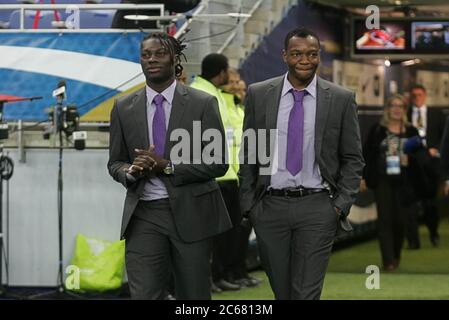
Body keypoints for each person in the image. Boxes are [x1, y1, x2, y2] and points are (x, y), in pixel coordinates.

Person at [238, 27, 364, 300]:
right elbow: (250, 153)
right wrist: (250, 205)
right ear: (284, 56)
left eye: (311, 54)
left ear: (319, 56)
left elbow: (353, 158)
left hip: (318, 208)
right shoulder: (259, 94)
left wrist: (339, 206)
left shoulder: (341, 98)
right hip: (269, 207)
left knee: (305, 293)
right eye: (296, 54)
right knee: (282, 292)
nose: (304, 60)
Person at [107, 32, 231, 300]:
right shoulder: (123, 106)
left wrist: (168, 166)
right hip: (143, 215)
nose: (151, 59)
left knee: (194, 295)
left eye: (159, 54)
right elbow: (114, 162)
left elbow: (218, 163)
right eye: (146, 55)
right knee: (144, 294)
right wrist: (129, 171)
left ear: (175, 59)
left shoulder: (202, 103)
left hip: (191, 213)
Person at [190, 54, 242, 292]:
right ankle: (206, 279)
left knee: (225, 235)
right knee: (208, 236)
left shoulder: (217, 94)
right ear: (221, 72)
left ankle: (218, 276)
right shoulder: (199, 93)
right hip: (211, 177)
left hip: (227, 175)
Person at [362, 95, 422, 271]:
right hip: (382, 180)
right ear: (387, 109)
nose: (396, 109)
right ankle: (388, 261)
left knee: (400, 221)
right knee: (385, 221)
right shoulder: (377, 130)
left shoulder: (411, 131)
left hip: (404, 182)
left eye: (400, 106)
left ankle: (396, 254)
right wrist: (363, 177)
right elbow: (367, 155)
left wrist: (410, 159)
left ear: (404, 110)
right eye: (393, 106)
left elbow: (421, 157)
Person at [407, 84, 445, 248]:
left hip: (430, 164)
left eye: (419, 95)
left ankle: (433, 232)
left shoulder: (436, 114)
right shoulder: (406, 115)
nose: (417, 98)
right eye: (414, 95)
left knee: (430, 202)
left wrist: (437, 150)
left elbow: (445, 136)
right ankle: (413, 239)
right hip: (411, 163)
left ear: (425, 95)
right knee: (411, 202)